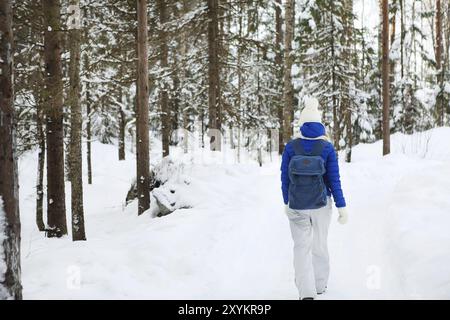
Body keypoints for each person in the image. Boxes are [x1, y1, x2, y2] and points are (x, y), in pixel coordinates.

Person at [280, 96, 348, 300]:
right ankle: (319, 286)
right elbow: (334, 179)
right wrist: (341, 206)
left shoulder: (291, 147)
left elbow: (285, 177)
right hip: (321, 204)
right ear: (320, 124)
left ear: (302, 124)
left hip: (297, 205)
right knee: (319, 244)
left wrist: (286, 201)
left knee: (301, 247)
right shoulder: (327, 148)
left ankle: (306, 293)